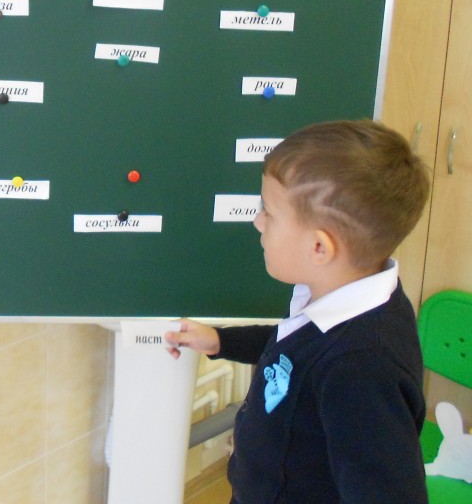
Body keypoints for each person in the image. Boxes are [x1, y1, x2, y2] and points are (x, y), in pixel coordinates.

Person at [165, 119, 431, 503]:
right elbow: (295, 355)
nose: (257, 221)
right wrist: (221, 341)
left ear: (319, 247)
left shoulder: (362, 368)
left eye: (269, 213)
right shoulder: (341, 302)